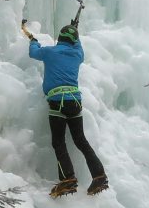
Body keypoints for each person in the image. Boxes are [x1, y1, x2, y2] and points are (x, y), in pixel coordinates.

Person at [25, 21, 108, 198]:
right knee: (81, 140)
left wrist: (33, 41)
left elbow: (33, 53)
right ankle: (99, 176)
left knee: (58, 142)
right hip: (75, 101)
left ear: (60, 38)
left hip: (58, 101)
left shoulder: (49, 52)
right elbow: (77, 44)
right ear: (74, 41)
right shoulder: (78, 54)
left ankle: (68, 178)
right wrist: (75, 30)